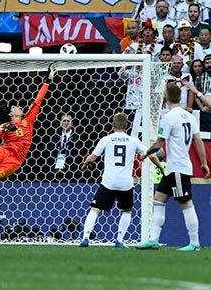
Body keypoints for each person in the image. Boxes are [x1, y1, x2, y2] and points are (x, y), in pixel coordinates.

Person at [137, 83, 210, 251]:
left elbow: (159, 143)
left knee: (186, 203)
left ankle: (194, 242)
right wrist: (204, 162)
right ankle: (154, 239)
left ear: (166, 97)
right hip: (174, 168)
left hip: (178, 168)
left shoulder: (169, 118)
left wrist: (145, 154)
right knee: (158, 199)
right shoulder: (188, 116)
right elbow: (198, 140)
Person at [79, 113, 164, 248]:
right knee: (127, 210)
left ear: (112, 125)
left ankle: (85, 237)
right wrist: (161, 168)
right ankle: (119, 240)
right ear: (127, 126)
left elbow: (92, 157)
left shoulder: (106, 139)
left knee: (95, 209)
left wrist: (84, 165)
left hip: (108, 182)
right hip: (125, 184)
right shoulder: (133, 141)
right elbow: (152, 155)